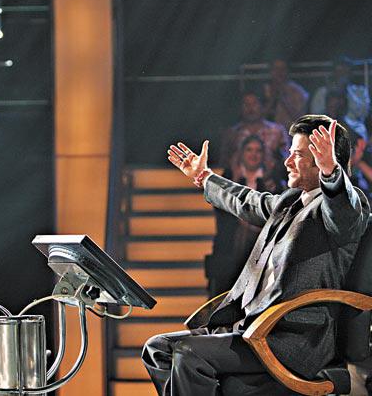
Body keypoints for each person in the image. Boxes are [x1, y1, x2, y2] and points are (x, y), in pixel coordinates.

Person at [142, 115, 369, 395]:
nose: (287, 162)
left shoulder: (344, 209)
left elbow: (343, 209)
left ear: (324, 161)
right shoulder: (290, 201)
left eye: (298, 155)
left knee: (189, 354)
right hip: (250, 328)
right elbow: (247, 201)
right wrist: (205, 177)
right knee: (158, 349)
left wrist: (332, 174)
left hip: (290, 339)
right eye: (290, 153)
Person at [207, 135, 284, 296]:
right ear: (241, 153)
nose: (253, 154)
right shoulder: (229, 176)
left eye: (258, 150)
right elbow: (220, 209)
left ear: (263, 154)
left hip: (263, 249)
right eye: (249, 150)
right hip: (231, 248)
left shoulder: (273, 180)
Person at [219, 92, 289, 183]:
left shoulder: (277, 131)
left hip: (271, 183)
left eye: (254, 104)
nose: (250, 108)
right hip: (239, 183)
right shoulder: (232, 133)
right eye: (246, 104)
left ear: (263, 106)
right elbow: (224, 162)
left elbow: (286, 160)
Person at [310, 57, 370, 140]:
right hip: (328, 130)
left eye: (345, 72)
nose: (341, 75)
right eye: (339, 72)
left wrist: (348, 91)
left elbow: (363, 113)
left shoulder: (360, 91)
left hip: (355, 132)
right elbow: (315, 115)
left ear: (350, 73)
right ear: (333, 73)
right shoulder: (322, 92)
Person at [263, 59, 309, 128]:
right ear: (270, 71)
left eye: (282, 69)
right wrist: (272, 99)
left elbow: (300, 119)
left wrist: (284, 100)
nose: (279, 72)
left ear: (287, 71)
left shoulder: (297, 91)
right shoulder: (263, 90)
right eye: (276, 69)